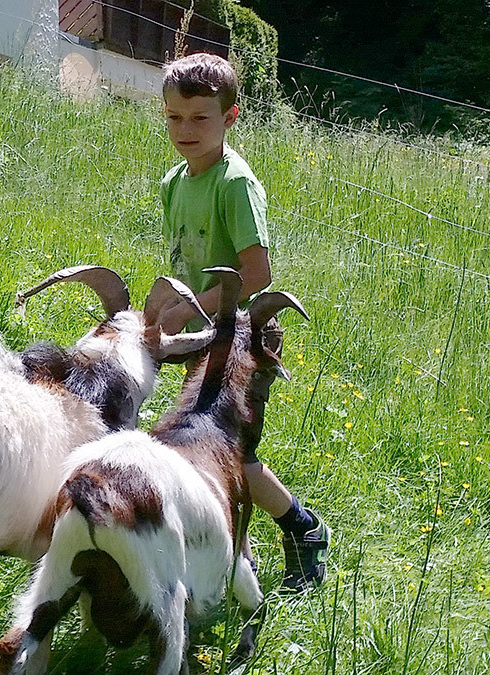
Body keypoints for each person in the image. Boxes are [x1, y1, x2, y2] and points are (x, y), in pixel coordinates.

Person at [155, 52, 331, 593]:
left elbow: (256, 274)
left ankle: (303, 528)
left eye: (200, 118)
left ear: (230, 117)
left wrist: (191, 307)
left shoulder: (234, 184)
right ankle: (238, 565)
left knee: (231, 453)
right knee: (204, 446)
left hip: (243, 337)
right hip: (205, 333)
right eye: (175, 117)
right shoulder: (174, 181)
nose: (185, 129)